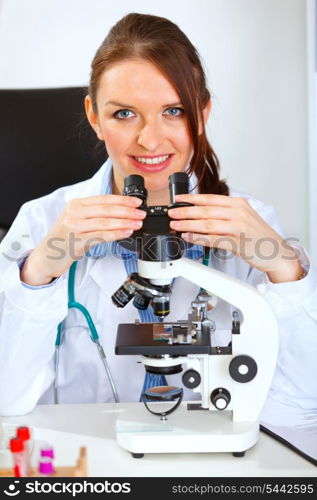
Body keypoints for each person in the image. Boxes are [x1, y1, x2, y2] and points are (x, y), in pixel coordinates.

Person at [0, 13, 316, 417]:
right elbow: (7, 402)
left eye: (173, 111)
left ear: (202, 114)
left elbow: (305, 406)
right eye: (124, 114)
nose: (149, 139)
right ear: (94, 116)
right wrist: (39, 273)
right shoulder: (42, 221)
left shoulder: (254, 222)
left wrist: (284, 268)